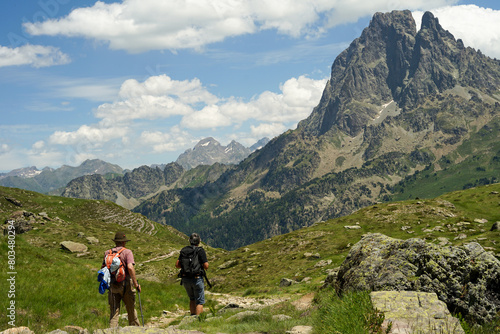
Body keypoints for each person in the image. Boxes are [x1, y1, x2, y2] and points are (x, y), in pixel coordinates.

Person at [102, 231, 142, 327]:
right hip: (126, 285)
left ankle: (112, 332)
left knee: (114, 313)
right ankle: (136, 331)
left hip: (112, 285)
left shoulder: (107, 253)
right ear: (124, 242)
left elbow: (103, 268)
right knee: (131, 310)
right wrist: (136, 284)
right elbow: (130, 267)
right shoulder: (127, 252)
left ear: (115, 242)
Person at [176, 233, 209, 315]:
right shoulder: (200, 251)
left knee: (192, 299)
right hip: (197, 278)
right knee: (199, 301)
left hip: (185, 279)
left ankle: (192, 317)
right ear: (199, 241)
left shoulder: (184, 250)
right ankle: (199, 321)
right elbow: (206, 266)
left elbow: (177, 265)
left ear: (190, 241)